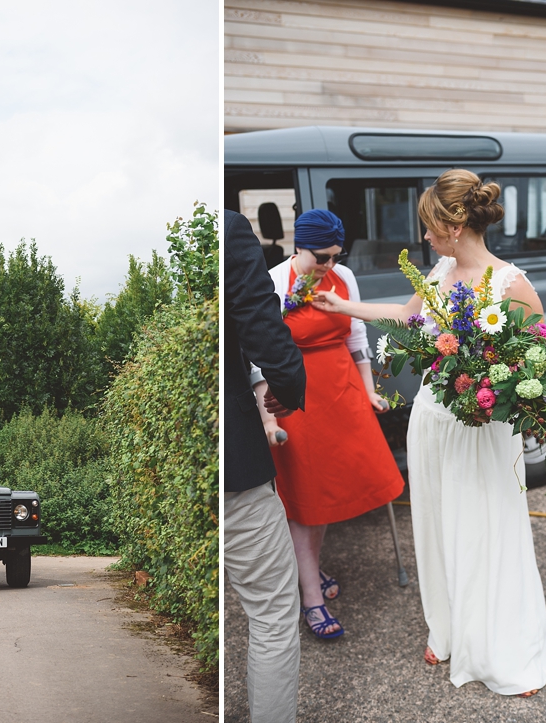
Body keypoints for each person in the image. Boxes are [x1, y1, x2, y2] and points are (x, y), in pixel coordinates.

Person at [313, 170, 546, 697]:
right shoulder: (441, 268)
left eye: (429, 226)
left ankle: (503, 650)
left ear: (455, 223)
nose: (424, 237)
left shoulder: (511, 283)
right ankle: (446, 629)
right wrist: (343, 307)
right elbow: (405, 316)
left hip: (481, 429)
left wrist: (497, 385)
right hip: (432, 419)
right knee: (440, 527)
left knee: (486, 529)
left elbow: (539, 367)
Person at [252, 208, 405, 640]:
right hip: (296, 398)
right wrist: (268, 416)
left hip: (342, 390)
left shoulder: (344, 278)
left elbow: (357, 339)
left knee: (340, 486)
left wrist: (370, 389)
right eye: (322, 256)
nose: (330, 265)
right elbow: (258, 358)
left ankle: (310, 572)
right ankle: (311, 599)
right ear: (300, 244)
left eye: (336, 256)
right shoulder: (274, 280)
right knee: (306, 500)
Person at [224, 210, 308, 723]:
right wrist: (288, 387)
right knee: (274, 614)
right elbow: (262, 328)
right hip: (235, 469)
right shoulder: (228, 229)